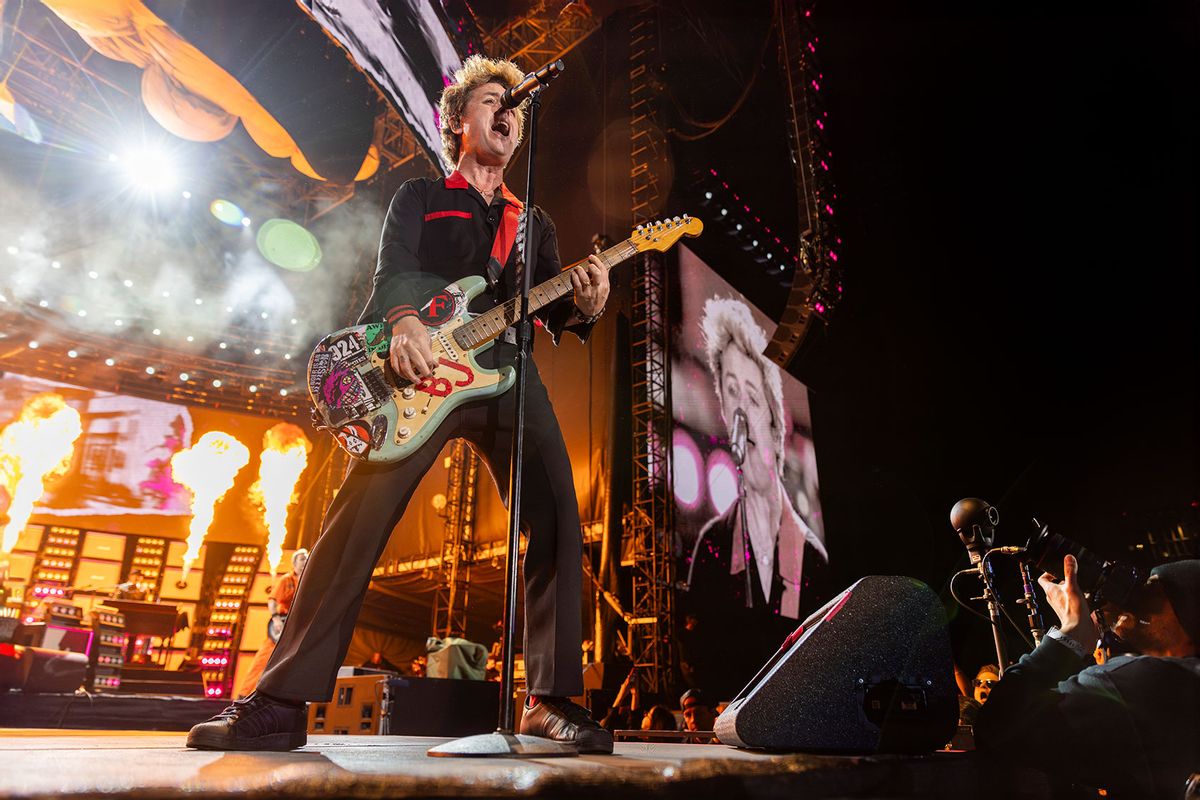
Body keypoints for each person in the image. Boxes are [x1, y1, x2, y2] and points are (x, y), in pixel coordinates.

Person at [187, 54, 612, 753]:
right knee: (357, 518)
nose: (509, 110)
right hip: (419, 377)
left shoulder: (532, 219)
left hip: (508, 376)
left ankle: (550, 699)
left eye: (516, 106)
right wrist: (409, 321)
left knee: (559, 515)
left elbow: (554, 309)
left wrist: (586, 306)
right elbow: (393, 277)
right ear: (458, 121)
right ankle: (281, 701)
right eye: (492, 100)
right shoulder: (420, 195)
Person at [681, 297, 829, 698]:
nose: (742, 409)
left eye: (751, 393)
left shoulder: (814, 559)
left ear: (776, 419)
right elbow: (700, 652)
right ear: (725, 412)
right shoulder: (712, 544)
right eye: (732, 391)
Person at [976, 556, 1200, 799]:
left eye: (1150, 590)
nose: (1131, 598)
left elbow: (996, 726)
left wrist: (1071, 634)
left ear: (1189, 615)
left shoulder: (1145, 683)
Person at [235, 549, 307, 699]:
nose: (304, 561)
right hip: (281, 626)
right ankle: (244, 696)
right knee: (263, 660)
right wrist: (276, 619)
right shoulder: (286, 580)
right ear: (294, 563)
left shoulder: (308, 582)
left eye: (306, 559)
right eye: (301, 559)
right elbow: (272, 600)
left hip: (297, 629)